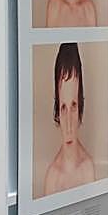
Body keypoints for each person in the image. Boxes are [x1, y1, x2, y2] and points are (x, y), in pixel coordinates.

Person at [43, 42, 96, 196]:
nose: (68, 123)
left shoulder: (87, 169)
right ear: (57, 111)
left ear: (80, 106)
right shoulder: (52, 177)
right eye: (63, 108)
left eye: (73, 106)